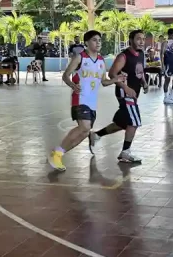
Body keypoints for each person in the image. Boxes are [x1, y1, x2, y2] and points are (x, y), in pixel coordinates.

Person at [49, 31, 121, 172]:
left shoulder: (101, 61)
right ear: (87, 42)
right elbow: (66, 76)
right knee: (85, 128)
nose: (98, 43)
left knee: (84, 132)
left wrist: (116, 80)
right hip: (80, 98)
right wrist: (72, 85)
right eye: (94, 40)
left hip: (92, 102)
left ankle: (59, 154)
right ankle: (56, 154)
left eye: (99, 40)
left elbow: (104, 82)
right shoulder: (79, 58)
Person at [90, 30, 147, 164]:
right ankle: (125, 152)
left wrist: (144, 82)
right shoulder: (124, 56)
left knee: (122, 123)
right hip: (124, 93)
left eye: (143, 39)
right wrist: (125, 87)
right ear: (131, 40)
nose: (141, 42)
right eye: (138, 39)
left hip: (134, 93)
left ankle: (96, 135)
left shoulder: (141, 54)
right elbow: (111, 74)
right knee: (134, 122)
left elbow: (139, 70)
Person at [160, 28, 173, 104]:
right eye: (172, 35)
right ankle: (165, 97)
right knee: (167, 80)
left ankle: (172, 95)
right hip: (167, 64)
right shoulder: (165, 42)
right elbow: (161, 54)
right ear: (169, 35)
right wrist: (162, 65)